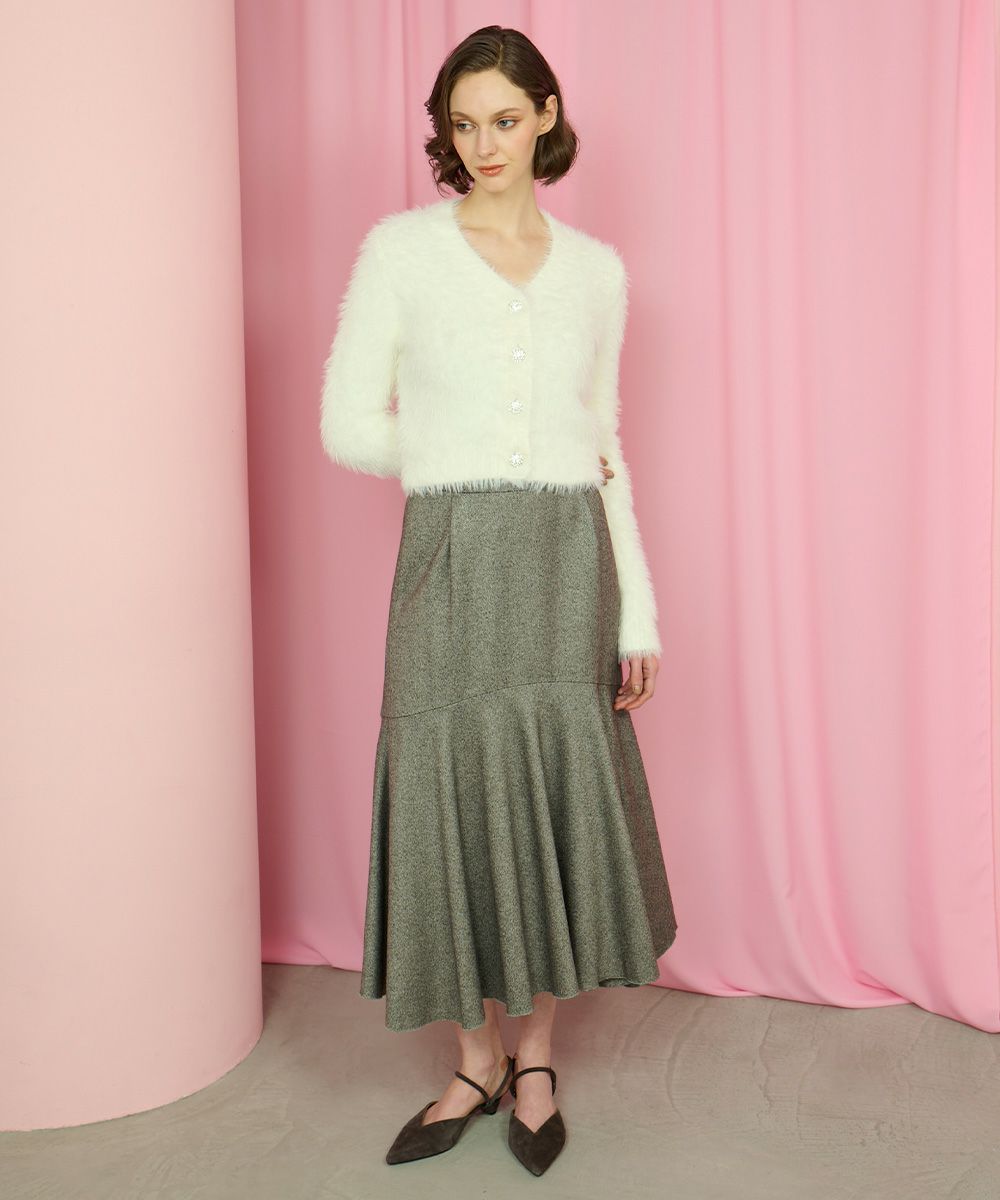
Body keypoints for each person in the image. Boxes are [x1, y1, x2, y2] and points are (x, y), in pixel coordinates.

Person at [319, 23, 678, 1177]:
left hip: (568, 561)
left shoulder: (596, 274)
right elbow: (345, 423)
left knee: (553, 787)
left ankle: (534, 1060)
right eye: (464, 125)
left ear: (546, 116)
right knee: (450, 788)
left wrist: (635, 614)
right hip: (453, 554)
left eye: (506, 120)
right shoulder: (401, 253)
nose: (484, 145)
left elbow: (603, 446)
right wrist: (459, 450)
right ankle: (472, 1058)